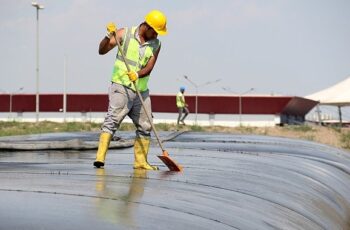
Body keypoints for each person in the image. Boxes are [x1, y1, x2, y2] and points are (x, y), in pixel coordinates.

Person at [93, 10, 168, 170]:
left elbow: (149, 67)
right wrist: (107, 36)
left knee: (146, 125)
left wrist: (137, 74)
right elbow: (102, 51)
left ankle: (140, 162)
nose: (156, 35)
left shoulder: (156, 44)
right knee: (112, 121)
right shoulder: (124, 34)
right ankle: (100, 158)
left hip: (141, 90)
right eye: (155, 31)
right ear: (146, 26)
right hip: (121, 87)